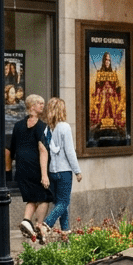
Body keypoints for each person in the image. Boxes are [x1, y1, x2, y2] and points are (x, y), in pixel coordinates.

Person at [9, 94, 52, 241]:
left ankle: (26, 221)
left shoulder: (17, 126)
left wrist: (10, 168)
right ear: (32, 106)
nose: (42, 106)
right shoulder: (42, 126)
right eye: (40, 103)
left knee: (32, 197)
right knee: (45, 196)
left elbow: (11, 149)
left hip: (21, 168)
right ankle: (40, 227)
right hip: (35, 168)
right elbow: (43, 150)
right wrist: (44, 175)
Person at [41, 96, 82, 235]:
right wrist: (77, 171)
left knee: (60, 203)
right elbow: (70, 152)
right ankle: (47, 223)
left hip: (52, 171)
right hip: (64, 171)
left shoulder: (47, 129)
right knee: (64, 202)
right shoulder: (65, 127)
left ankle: (66, 232)